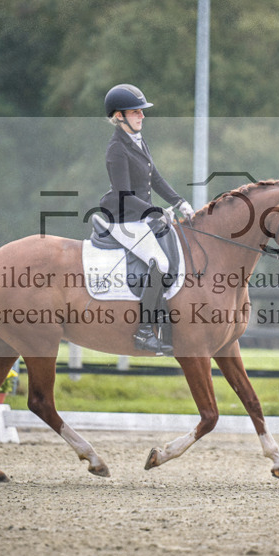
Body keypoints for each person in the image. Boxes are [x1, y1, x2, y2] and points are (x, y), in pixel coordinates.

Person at [98, 84, 195, 356]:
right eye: (136, 112)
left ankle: (166, 326)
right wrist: (156, 212)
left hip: (141, 216)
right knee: (160, 263)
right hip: (123, 219)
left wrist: (179, 202)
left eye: (142, 111)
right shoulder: (116, 149)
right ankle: (143, 332)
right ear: (119, 116)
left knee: (174, 252)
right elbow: (123, 194)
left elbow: (157, 178)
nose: (142, 116)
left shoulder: (138, 140)